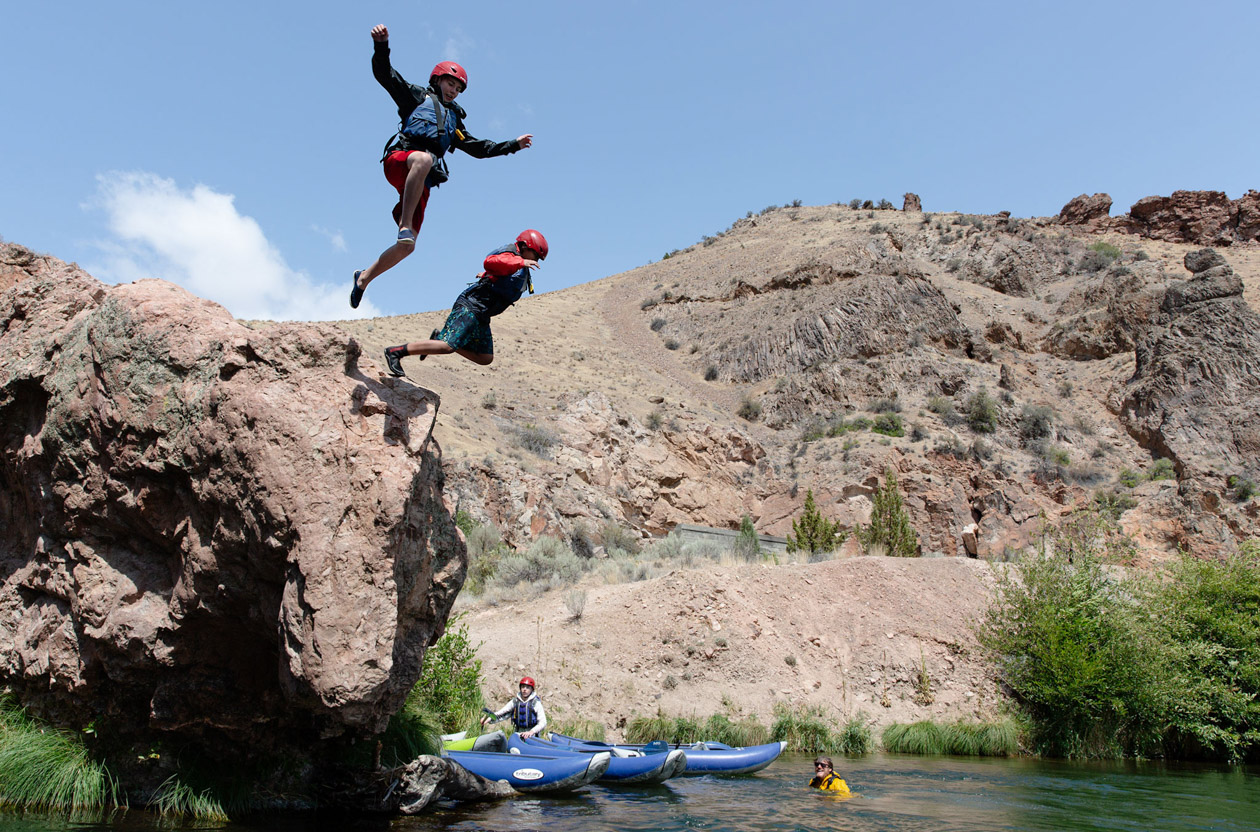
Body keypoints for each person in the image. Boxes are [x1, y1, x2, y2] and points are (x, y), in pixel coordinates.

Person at [351, 23, 534, 309]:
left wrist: (513, 144)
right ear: (437, 80)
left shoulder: (454, 122)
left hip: (420, 182)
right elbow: (385, 75)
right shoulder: (416, 98)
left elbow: (479, 148)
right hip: (401, 161)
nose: (454, 91)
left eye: (459, 89)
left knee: (406, 248)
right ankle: (404, 224)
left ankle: (363, 278)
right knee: (423, 159)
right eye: (451, 84)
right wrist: (382, 45)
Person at [383, 230, 548, 376]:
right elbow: (491, 262)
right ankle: (396, 352)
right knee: (447, 346)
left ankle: (439, 338)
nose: (536, 261)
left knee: (485, 357)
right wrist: (520, 263)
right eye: (536, 256)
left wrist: (489, 275)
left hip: (482, 313)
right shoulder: (513, 256)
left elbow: (499, 273)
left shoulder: (518, 263)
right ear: (526, 247)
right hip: (471, 305)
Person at [482, 676, 547, 739]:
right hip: (518, 733)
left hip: (532, 735)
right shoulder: (515, 701)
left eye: (527, 687)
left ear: (532, 690)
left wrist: (531, 732)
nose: (524, 689)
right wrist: (490, 718)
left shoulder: (535, 702)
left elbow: (543, 722)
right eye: (523, 687)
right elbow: (503, 713)